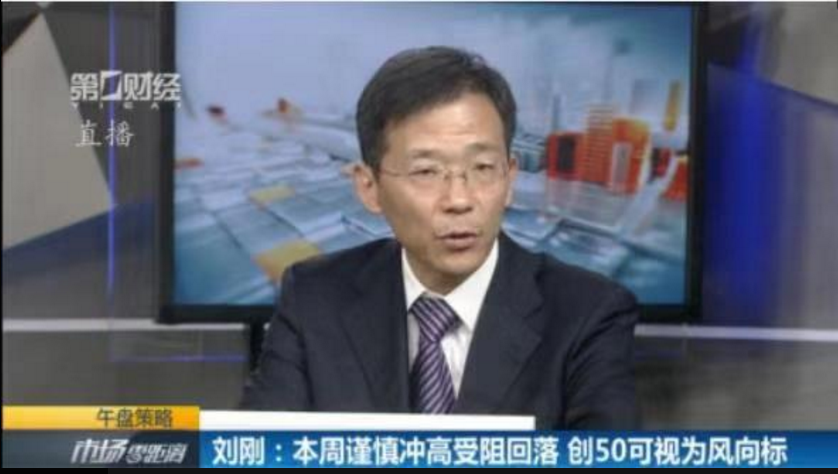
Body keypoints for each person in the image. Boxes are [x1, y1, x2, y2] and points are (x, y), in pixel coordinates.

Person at [242, 46, 639, 429]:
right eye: (427, 172)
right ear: (369, 187)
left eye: (482, 167)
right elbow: (256, 452)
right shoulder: (314, 298)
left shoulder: (588, 313)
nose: (459, 200)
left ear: (510, 178)